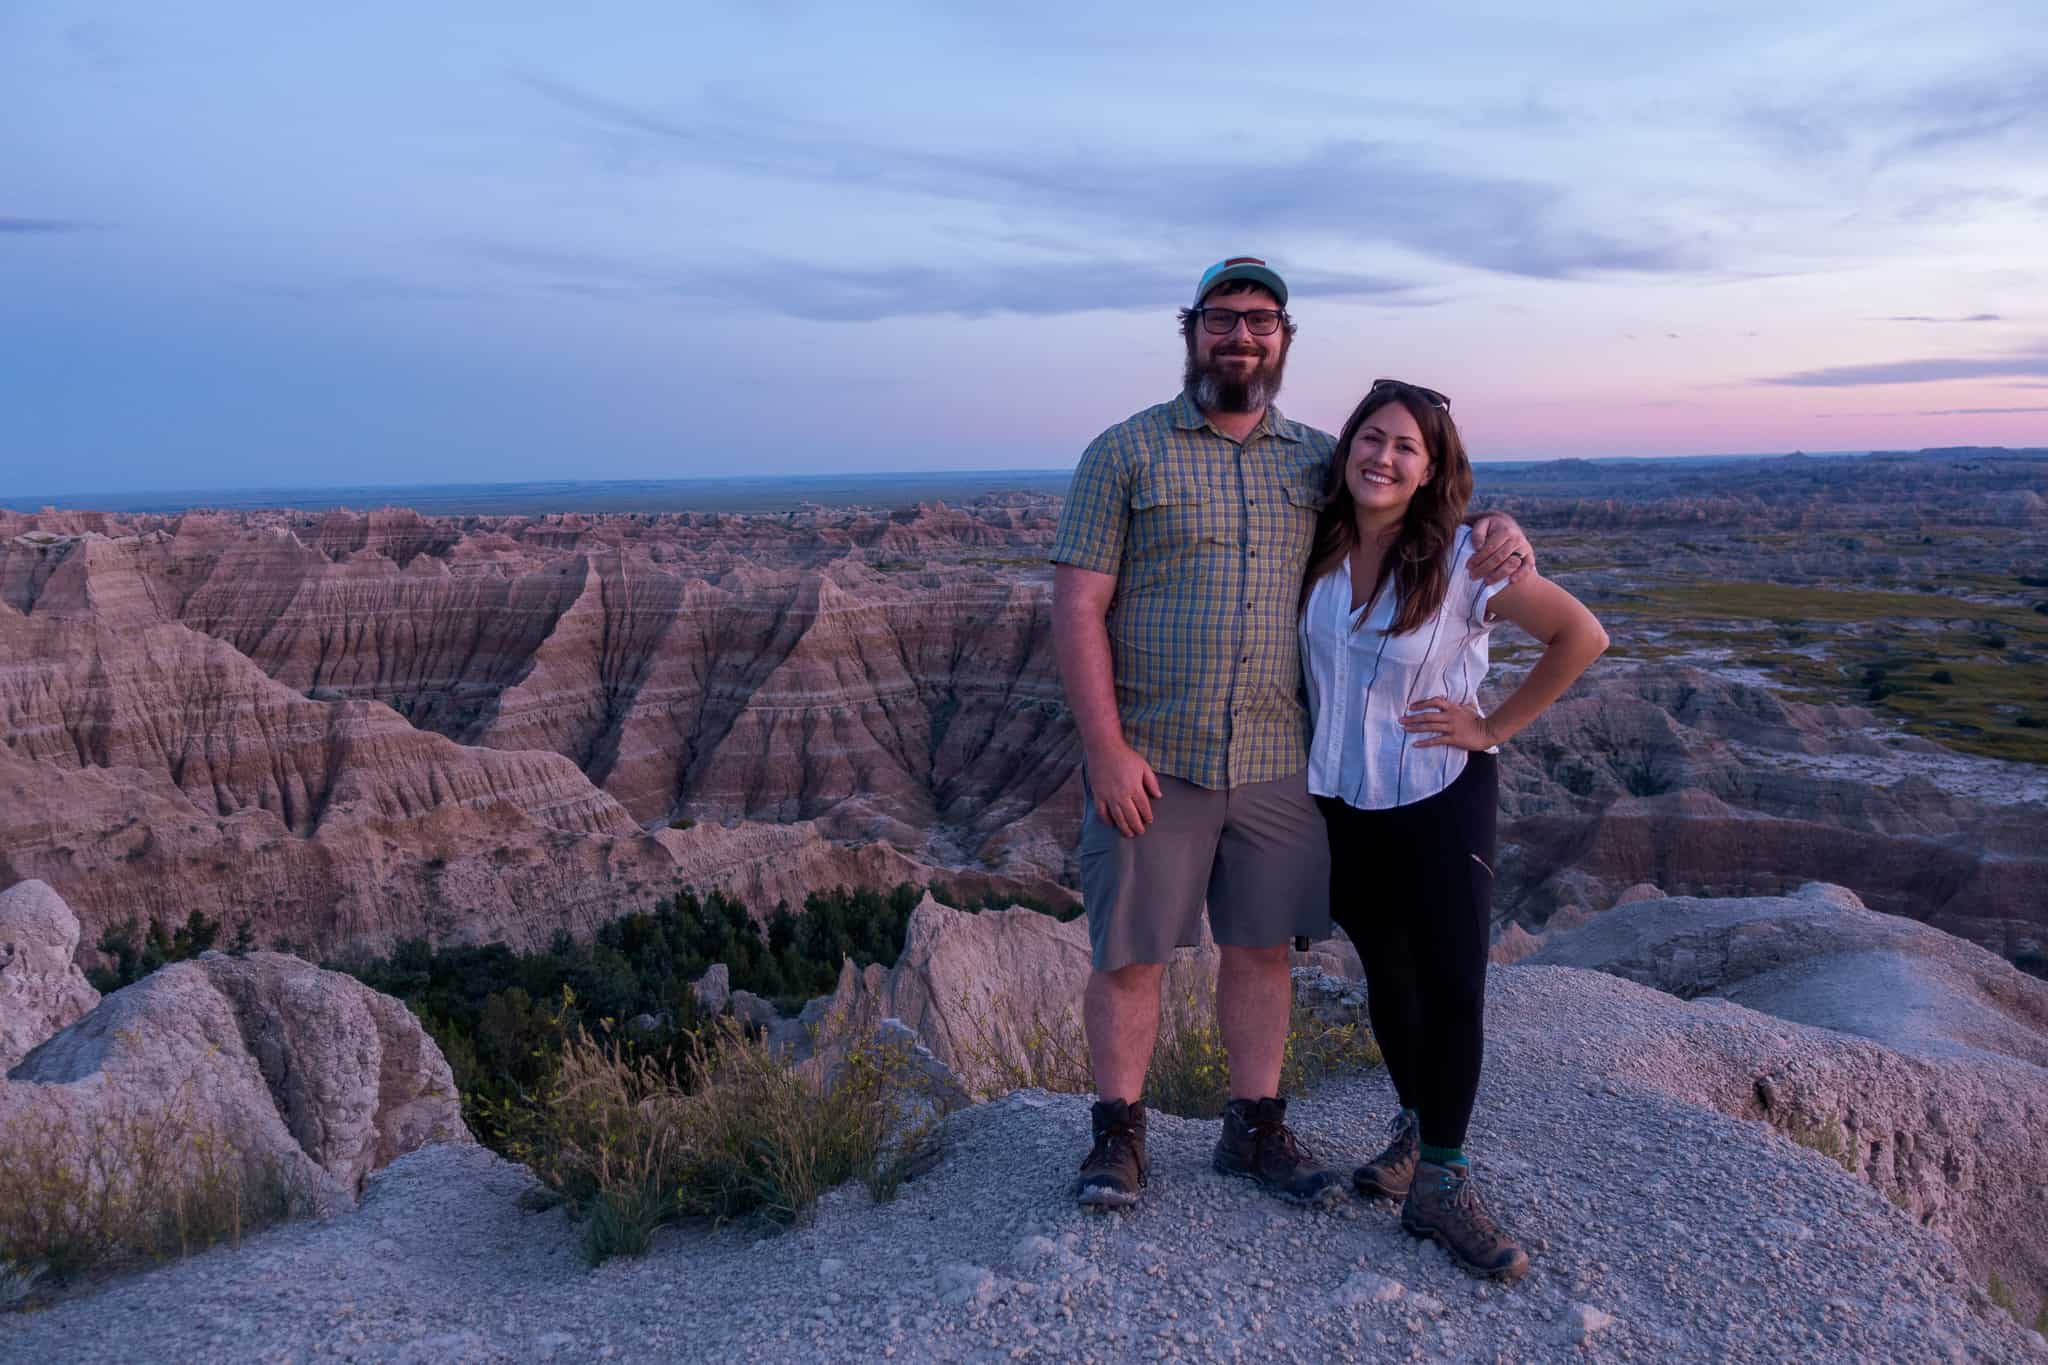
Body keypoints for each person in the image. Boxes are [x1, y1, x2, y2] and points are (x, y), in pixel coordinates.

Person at [1047, 259, 1535, 1211]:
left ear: (1285, 338)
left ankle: (1255, 1127)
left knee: (1262, 946)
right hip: (1158, 753)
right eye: (1223, 318)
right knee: (1131, 952)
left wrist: (1497, 528)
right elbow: (1077, 604)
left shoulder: (1318, 459)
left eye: (1261, 321)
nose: (1242, 336)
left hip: (1280, 758)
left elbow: (1408, 504)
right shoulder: (1125, 453)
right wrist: (1104, 748)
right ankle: (1118, 1135)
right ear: (1191, 331)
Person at [1299, 378, 1607, 1279]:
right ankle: (1411, 1124)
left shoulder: (1468, 559)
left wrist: (1492, 725)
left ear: (1433, 469)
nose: (1382, 456)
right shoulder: (1315, 545)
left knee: (1453, 983)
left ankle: (1445, 1177)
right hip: (1344, 800)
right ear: (1347, 444)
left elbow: (1580, 636)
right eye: (1371, 437)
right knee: (1385, 974)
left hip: (1439, 793)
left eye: (1405, 446)